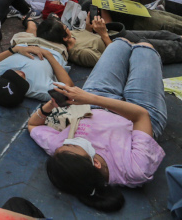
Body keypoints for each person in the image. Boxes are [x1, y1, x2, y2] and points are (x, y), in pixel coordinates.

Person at [27, 39, 167, 212]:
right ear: (96, 164)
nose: (70, 139)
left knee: (119, 44)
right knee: (144, 49)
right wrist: (89, 98)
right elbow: (140, 116)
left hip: (95, 102)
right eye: (73, 143)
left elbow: (33, 125)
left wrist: (50, 105)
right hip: (140, 111)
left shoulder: (61, 153)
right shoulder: (135, 170)